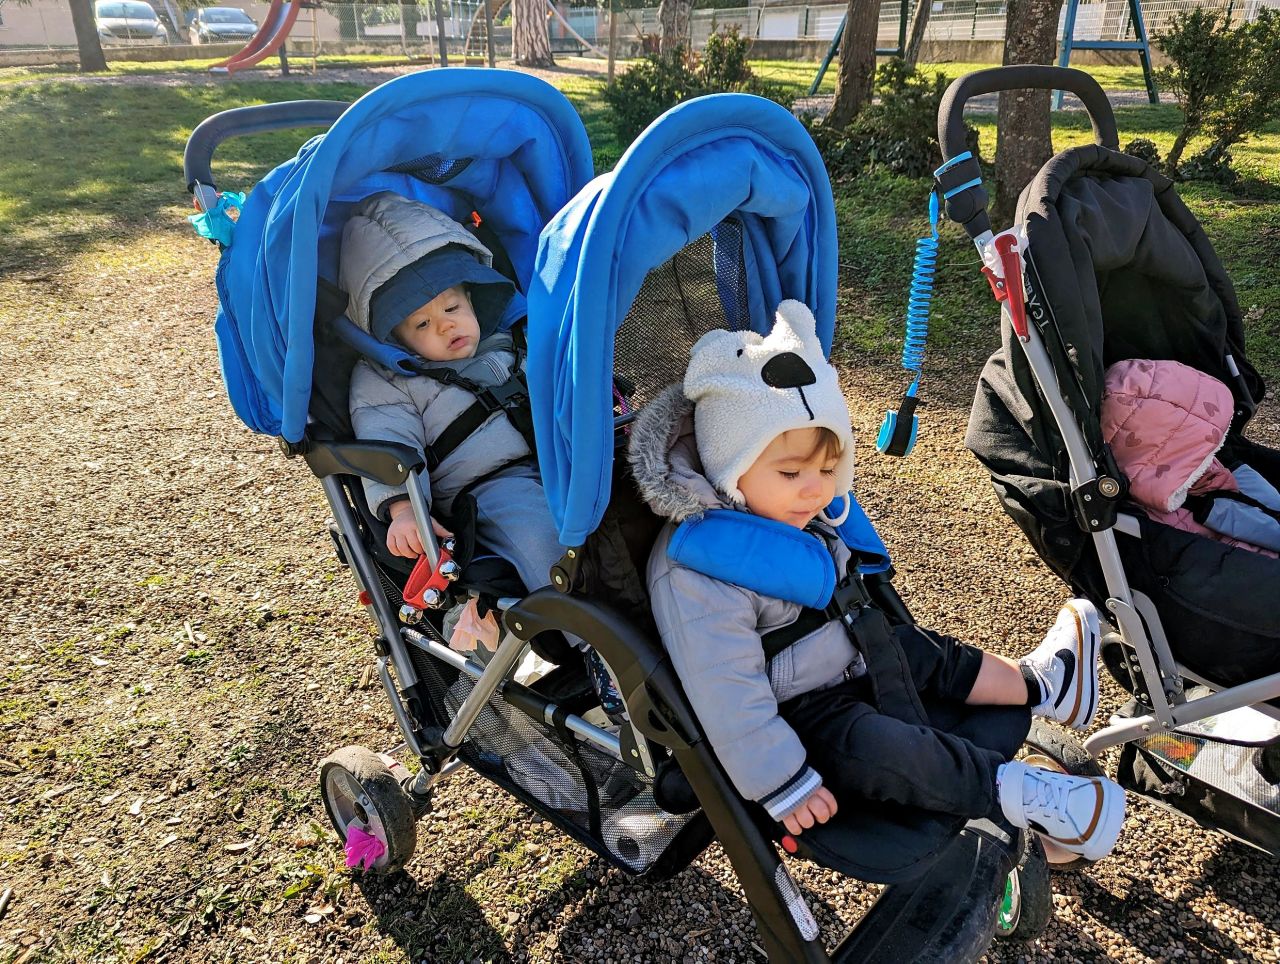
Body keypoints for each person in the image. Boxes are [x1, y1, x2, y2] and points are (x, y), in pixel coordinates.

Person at [628, 299, 1126, 860]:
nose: (815, 488)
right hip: (803, 710)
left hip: (853, 649)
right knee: (880, 747)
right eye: (791, 473)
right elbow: (727, 695)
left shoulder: (787, 509)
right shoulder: (696, 568)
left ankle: (1044, 685)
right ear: (727, 468)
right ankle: (1018, 794)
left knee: (931, 653)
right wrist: (780, 781)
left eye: (826, 469)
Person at [341, 192, 623, 715]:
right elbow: (386, 442)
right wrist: (402, 508)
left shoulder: (513, 336)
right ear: (393, 337)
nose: (446, 326)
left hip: (560, 457)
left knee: (631, 496)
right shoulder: (385, 381)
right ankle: (606, 656)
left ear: (473, 296)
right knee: (544, 537)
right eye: (421, 324)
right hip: (487, 486)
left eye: (452, 308)